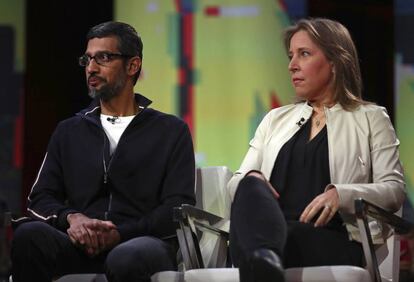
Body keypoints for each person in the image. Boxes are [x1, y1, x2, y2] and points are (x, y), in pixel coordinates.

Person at [11, 21, 196, 282]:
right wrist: (72, 219)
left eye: (104, 58)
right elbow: (40, 197)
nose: (91, 68)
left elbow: (178, 208)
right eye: (87, 60)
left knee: (126, 257)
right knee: (28, 237)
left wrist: (119, 232)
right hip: (79, 243)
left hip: (141, 243)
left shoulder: (170, 131)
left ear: (133, 66)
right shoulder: (69, 131)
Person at [227, 18, 406, 282]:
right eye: (291, 56)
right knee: (249, 183)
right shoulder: (274, 120)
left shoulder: (371, 118)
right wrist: (253, 179)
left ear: (335, 62)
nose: (292, 66)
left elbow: (393, 190)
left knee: (269, 244)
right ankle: (263, 260)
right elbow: (235, 186)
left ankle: (261, 262)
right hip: (272, 233)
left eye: (304, 54)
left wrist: (341, 195)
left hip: (333, 238)